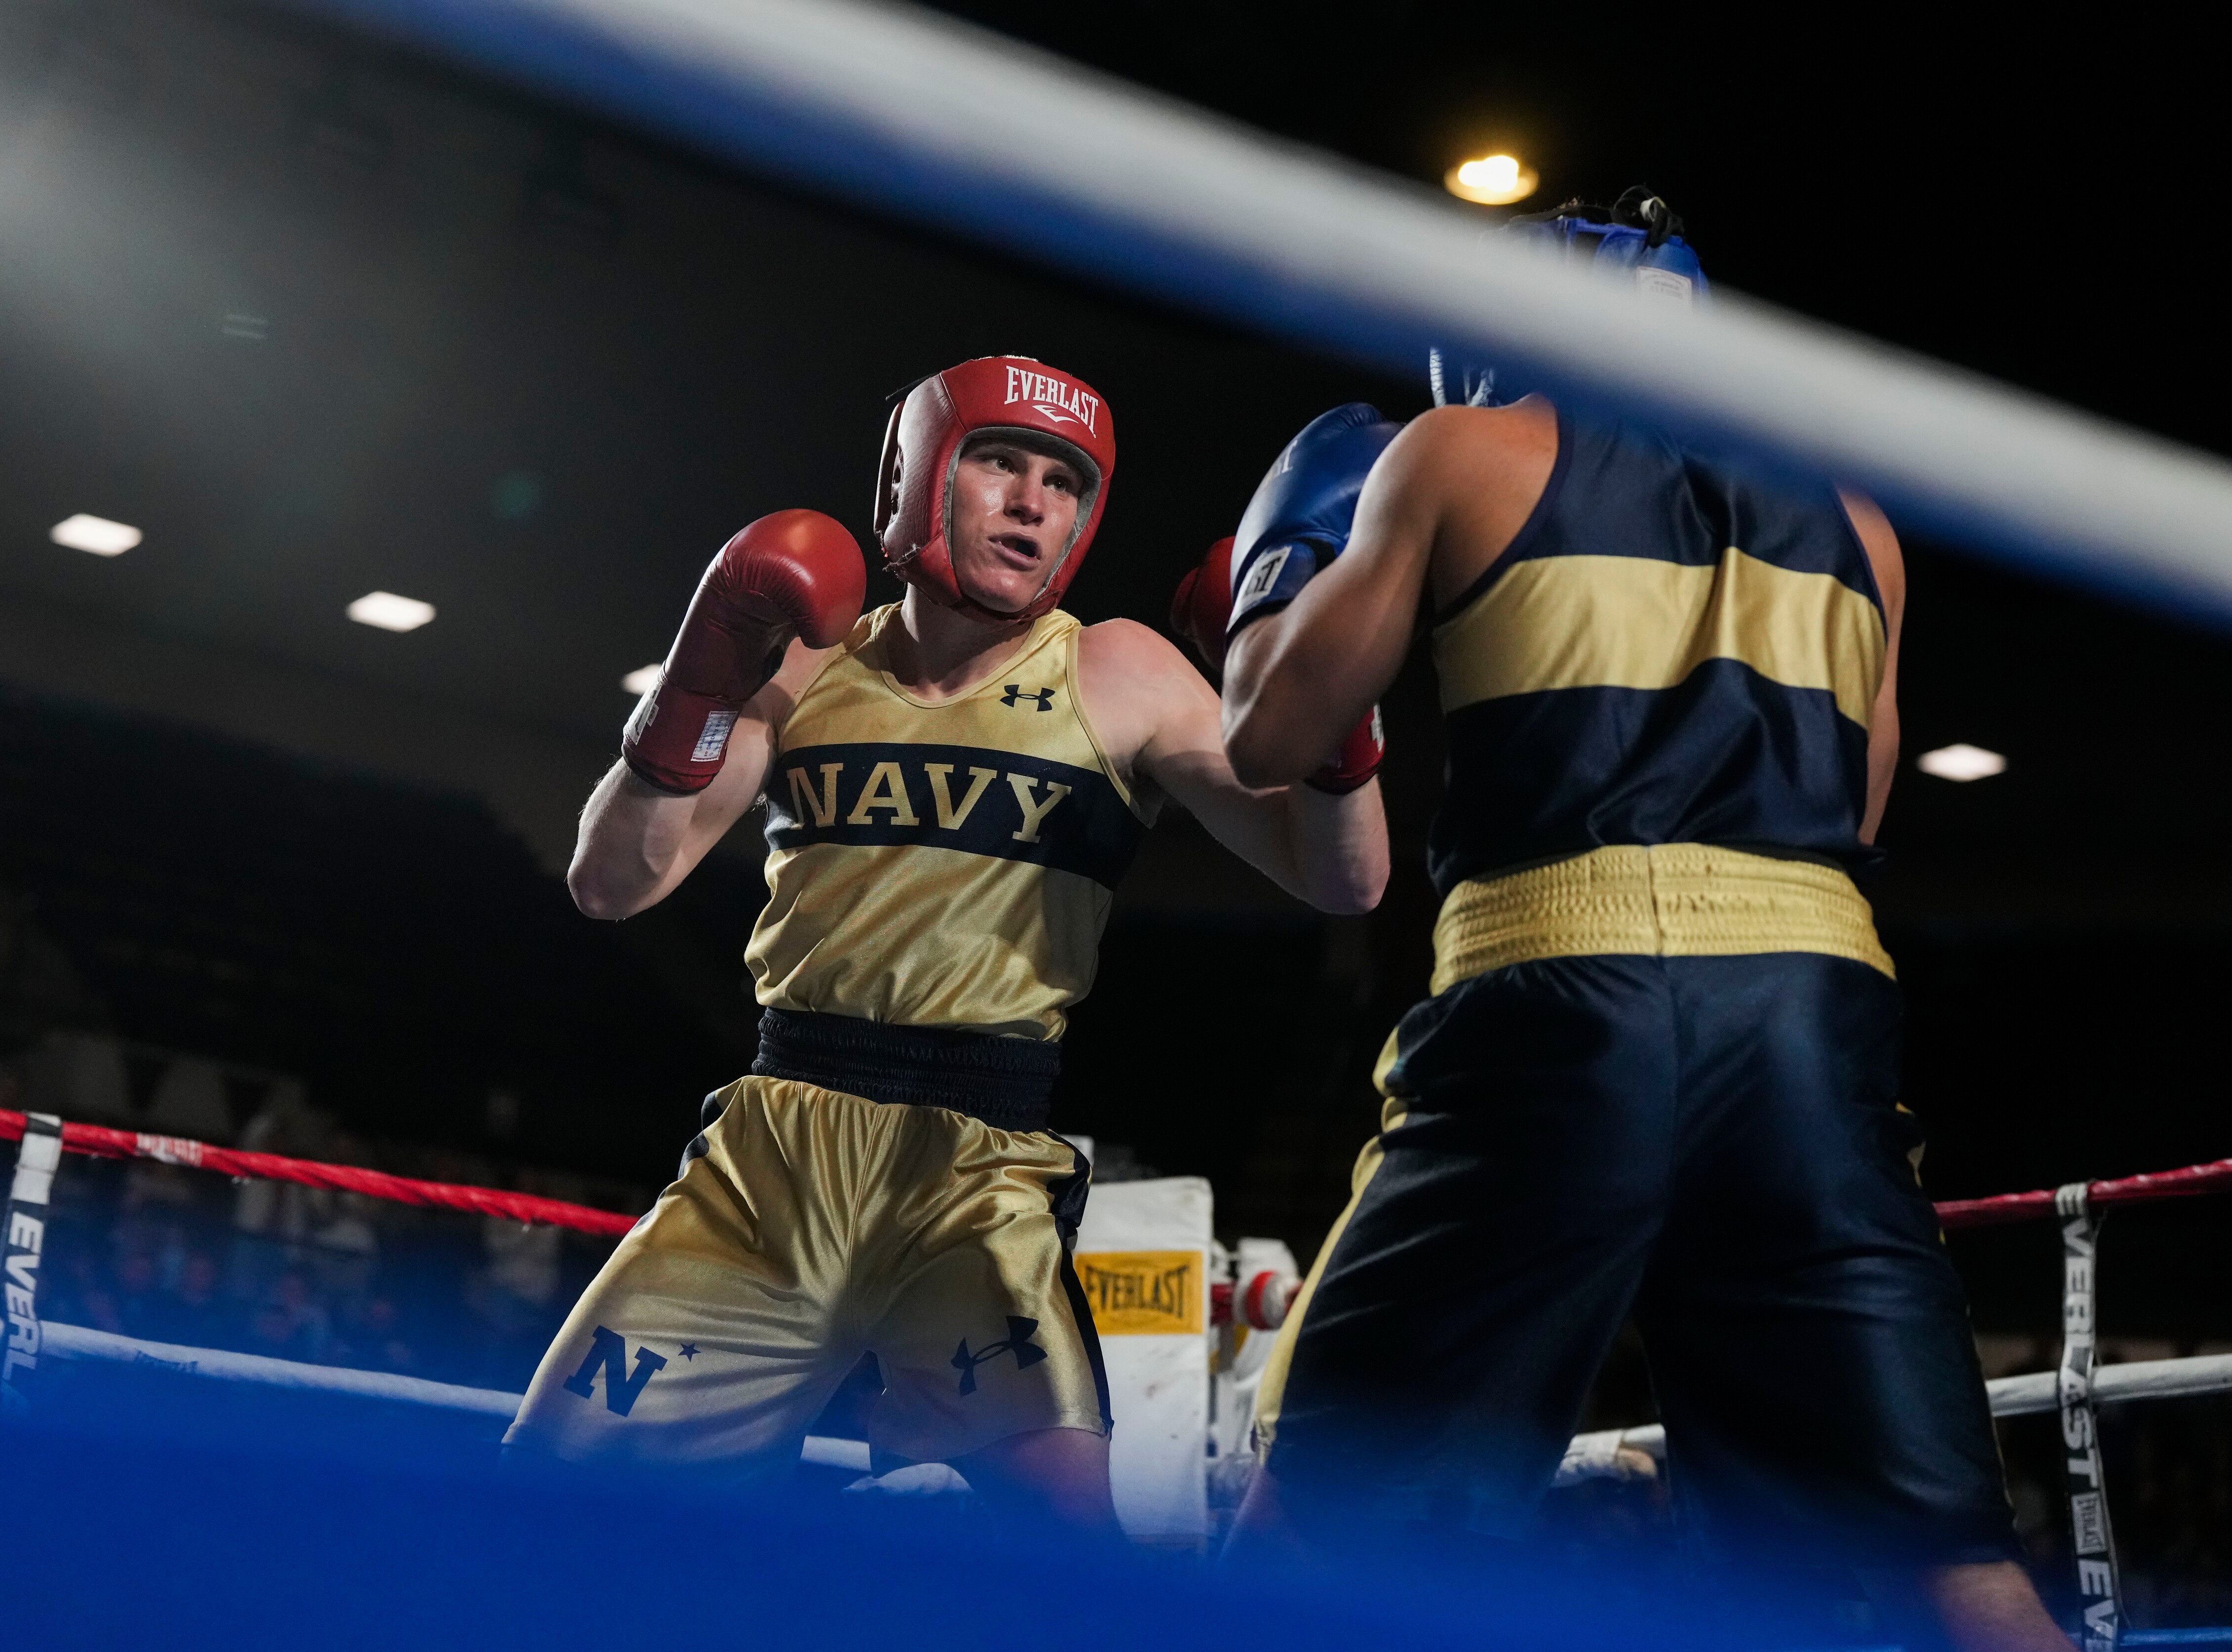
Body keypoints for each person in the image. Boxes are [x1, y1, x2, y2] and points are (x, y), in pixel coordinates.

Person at [1213, 197, 2070, 1649]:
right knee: (1943, 1555)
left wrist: (1278, 575)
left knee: (1315, 1499)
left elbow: (1265, 730)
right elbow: (1857, 814)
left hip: (1561, 996)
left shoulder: (1461, 452)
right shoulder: (1861, 519)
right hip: (1810, 1017)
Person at [502, 355, 1388, 1528]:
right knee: (537, 1509)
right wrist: (699, 674)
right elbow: (612, 882)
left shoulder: (1116, 671)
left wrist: (1333, 701)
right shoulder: (807, 667)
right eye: (998, 462)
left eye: (1063, 481)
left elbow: (1346, 876)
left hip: (978, 1171)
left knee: (1073, 1556)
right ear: (913, 482)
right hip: (774, 1153)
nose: (1031, 501)